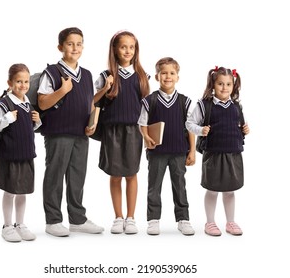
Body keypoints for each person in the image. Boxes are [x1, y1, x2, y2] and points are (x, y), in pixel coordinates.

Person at [38, 27, 104, 237]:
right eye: (70, 44)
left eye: (79, 43)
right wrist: (62, 90)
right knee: (55, 176)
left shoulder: (86, 75)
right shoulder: (52, 73)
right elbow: (42, 103)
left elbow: (90, 103)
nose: (75, 48)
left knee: (77, 176)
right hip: (58, 133)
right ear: (60, 47)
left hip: (80, 134)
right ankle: (53, 220)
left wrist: (92, 123)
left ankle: (77, 218)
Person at [94, 30, 150, 234]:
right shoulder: (106, 76)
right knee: (116, 175)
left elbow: (147, 108)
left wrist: (147, 133)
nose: (128, 50)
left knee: (132, 174)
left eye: (131, 47)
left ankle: (131, 217)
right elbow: (92, 103)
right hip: (112, 131)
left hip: (134, 131)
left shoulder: (142, 76)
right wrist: (105, 88)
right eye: (123, 46)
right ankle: (118, 217)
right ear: (115, 50)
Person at [186, 66, 250, 236]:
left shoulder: (237, 106)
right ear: (213, 84)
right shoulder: (204, 105)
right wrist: (201, 130)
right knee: (212, 189)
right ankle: (210, 223)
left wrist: (245, 129)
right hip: (213, 154)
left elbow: (238, 124)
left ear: (233, 86)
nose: (224, 87)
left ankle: (230, 222)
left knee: (230, 190)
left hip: (233, 153)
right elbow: (189, 123)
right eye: (220, 83)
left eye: (228, 84)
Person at [138, 57, 196, 236]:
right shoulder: (150, 101)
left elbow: (190, 127)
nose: (168, 76)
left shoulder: (184, 102)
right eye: (164, 73)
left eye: (172, 73)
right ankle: (153, 219)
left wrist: (192, 150)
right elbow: (142, 123)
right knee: (154, 185)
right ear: (157, 76)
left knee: (179, 185)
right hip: (157, 152)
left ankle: (183, 219)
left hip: (179, 151)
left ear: (178, 77)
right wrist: (146, 137)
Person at [0, 63, 42, 242]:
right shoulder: (4, 104)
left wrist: (37, 121)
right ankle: (7, 226)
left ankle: (21, 224)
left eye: (26, 81)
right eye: (19, 81)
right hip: (10, 156)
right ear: (9, 82)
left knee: (22, 191)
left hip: (26, 155)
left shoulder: (27, 102)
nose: (23, 85)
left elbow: (26, 129)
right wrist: (7, 118)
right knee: (10, 191)